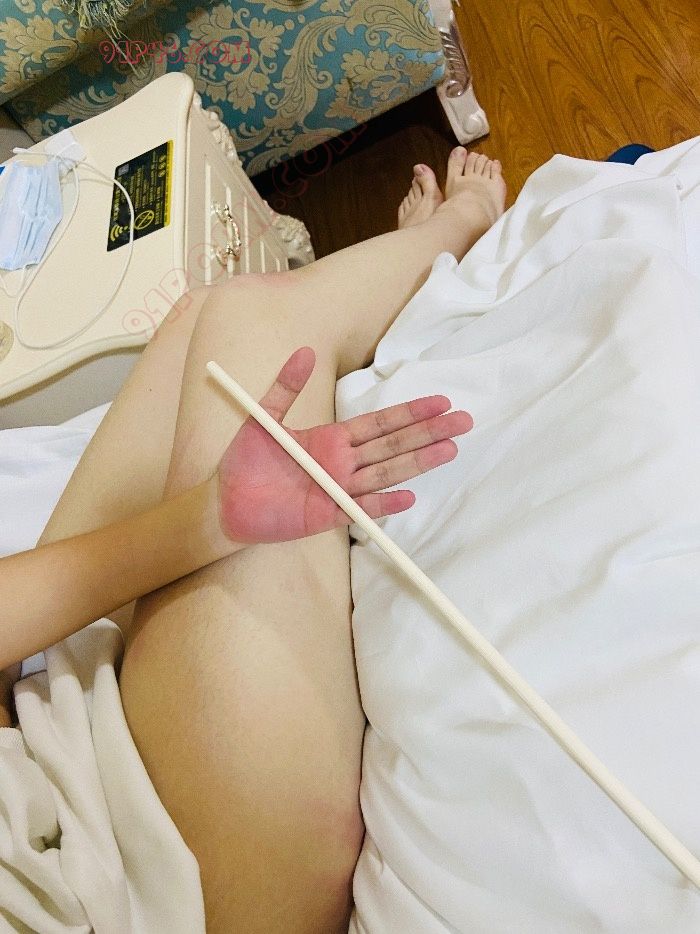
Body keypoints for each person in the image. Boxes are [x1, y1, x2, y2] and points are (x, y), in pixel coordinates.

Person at [0, 147, 506, 932]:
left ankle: (422, 250)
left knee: (196, 318)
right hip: (146, 889)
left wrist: (209, 520)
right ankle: (462, 224)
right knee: (253, 318)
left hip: (46, 728)